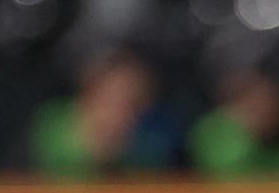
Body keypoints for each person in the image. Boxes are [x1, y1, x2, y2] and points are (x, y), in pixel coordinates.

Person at [28, 45, 182, 179]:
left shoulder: (151, 136)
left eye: (131, 103)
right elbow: (58, 160)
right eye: (110, 98)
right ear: (89, 93)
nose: (118, 111)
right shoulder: (54, 121)